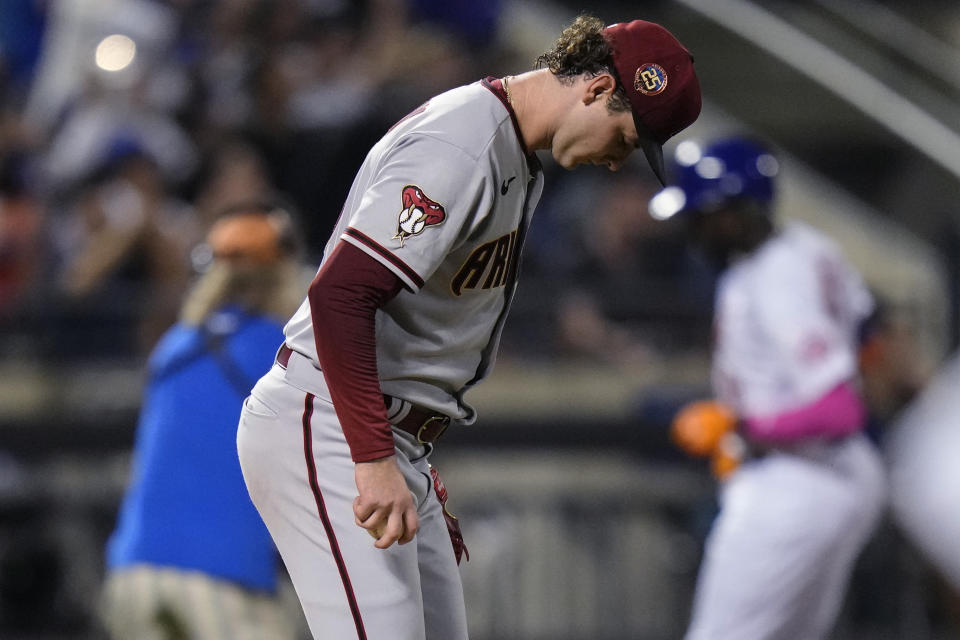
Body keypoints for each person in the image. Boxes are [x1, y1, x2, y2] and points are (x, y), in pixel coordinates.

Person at [236, 14, 701, 640]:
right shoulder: (463, 141)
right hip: (330, 426)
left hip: (382, 435)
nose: (621, 160)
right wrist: (374, 459)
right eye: (628, 134)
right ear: (594, 89)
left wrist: (402, 460)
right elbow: (341, 294)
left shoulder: (512, 149)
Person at [650, 137, 886, 639]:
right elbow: (870, 336)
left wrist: (742, 424)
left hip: (795, 480)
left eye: (702, 215)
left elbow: (841, 409)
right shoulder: (807, 245)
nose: (694, 230)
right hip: (841, 472)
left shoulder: (775, 276)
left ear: (733, 212)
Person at [101, 201, 309, 640]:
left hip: (132, 575)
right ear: (283, 271)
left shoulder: (173, 346)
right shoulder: (282, 351)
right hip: (222, 579)